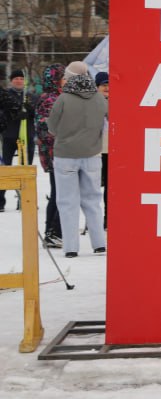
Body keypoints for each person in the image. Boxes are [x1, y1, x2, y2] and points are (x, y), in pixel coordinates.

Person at [46, 61, 108, 258]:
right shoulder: (99, 99)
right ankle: (99, 243)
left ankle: (71, 247)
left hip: (66, 156)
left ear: (70, 76)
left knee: (67, 202)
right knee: (93, 200)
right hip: (92, 155)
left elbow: (51, 127)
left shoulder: (63, 99)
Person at [34, 64, 66, 247]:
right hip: (55, 151)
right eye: (63, 77)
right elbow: (47, 128)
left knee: (60, 192)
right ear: (55, 79)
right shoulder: (50, 99)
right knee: (59, 193)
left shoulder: (56, 96)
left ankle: (54, 231)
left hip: (57, 150)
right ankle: (53, 232)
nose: (65, 80)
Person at [1, 70, 34, 212]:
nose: (19, 81)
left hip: (26, 136)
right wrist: (15, 114)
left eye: (21, 78)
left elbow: (37, 113)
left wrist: (29, 110)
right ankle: (1, 201)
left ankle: (25, 199)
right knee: (5, 168)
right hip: (9, 135)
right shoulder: (6, 95)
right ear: (11, 81)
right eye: (16, 78)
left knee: (25, 168)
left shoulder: (30, 96)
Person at [95, 71, 109, 229]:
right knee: (93, 187)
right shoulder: (93, 101)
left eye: (109, 84)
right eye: (104, 85)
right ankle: (94, 218)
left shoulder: (116, 100)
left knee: (110, 187)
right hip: (96, 150)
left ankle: (107, 217)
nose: (107, 88)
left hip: (111, 150)